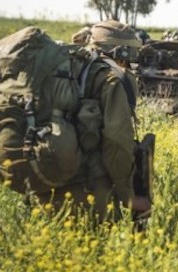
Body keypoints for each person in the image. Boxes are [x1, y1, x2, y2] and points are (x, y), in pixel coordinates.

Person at [38, 20, 151, 221]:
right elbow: (117, 140)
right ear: (121, 53)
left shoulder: (63, 69)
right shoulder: (115, 78)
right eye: (131, 55)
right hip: (90, 191)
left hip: (43, 182)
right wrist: (128, 195)